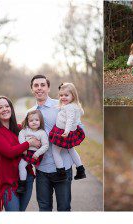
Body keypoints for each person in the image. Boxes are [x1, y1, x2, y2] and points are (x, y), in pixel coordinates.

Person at [28, 75, 81, 211]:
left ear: (48, 88)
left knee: (64, 209)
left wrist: (66, 136)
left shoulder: (61, 105)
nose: (39, 88)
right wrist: (31, 142)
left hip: (63, 166)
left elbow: (79, 126)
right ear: (32, 89)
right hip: (42, 169)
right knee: (44, 209)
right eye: (36, 85)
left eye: (42, 85)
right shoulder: (30, 113)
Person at [0, 96, 41, 211]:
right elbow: (9, 152)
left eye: (7, 106)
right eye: (0, 107)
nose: (4, 109)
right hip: (8, 183)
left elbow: (37, 130)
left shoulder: (19, 128)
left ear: (11, 108)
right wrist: (28, 143)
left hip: (26, 179)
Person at [49, 82, 86, 181]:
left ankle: (61, 172)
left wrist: (66, 131)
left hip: (63, 132)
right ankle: (80, 169)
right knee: (71, 150)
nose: (63, 97)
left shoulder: (69, 107)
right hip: (70, 131)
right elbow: (81, 113)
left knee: (55, 151)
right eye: (61, 95)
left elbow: (69, 120)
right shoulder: (75, 106)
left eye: (66, 95)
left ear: (73, 95)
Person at [17, 110, 49, 193]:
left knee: (40, 169)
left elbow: (46, 145)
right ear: (27, 122)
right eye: (31, 120)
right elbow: (20, 136)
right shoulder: (25, 130)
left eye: (36, 120)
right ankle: (22, 184)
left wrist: (37, 153)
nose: (34, 122)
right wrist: (23, 147)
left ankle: (42, 183)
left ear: (40, 121)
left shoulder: (42, 133)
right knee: (21, 165)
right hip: (26, 152)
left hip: (36, 154)